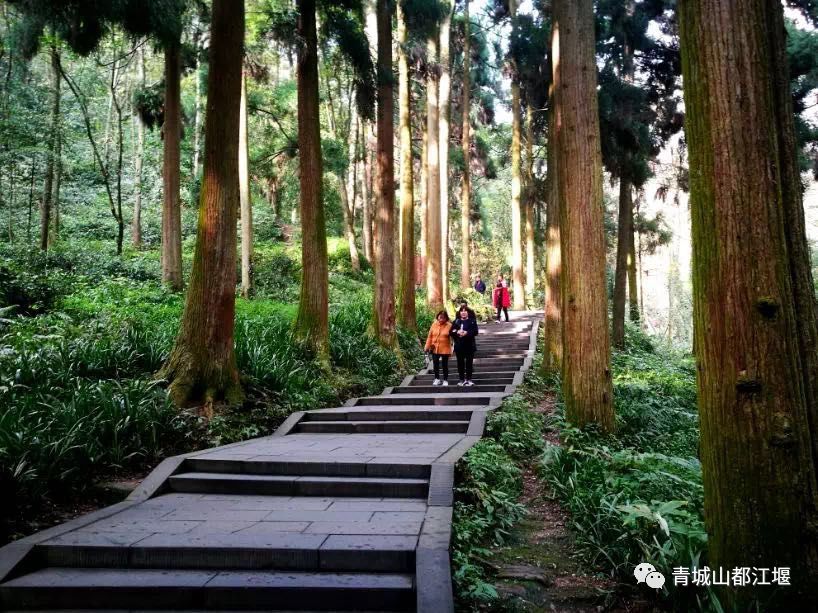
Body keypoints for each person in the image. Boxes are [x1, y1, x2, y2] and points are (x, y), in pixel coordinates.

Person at [451, 305, 479, 386]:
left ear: (468, 312)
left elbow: (475, 332)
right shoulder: (456, 321)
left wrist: (467, 333)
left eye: (465, 311)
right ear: (459, 313)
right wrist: (457, 332)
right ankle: (461, 379)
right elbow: (451, 331)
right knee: (460, 363)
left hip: (469, 345)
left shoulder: (472, 321)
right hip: (459, 346)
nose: (463, 312)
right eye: (461, 311)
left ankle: (469, 379)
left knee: (469, 363)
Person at [424, 310, 453, 386]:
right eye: (440, 316)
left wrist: (453, 348)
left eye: (443, 317)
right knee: (435, 364)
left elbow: (453, 336)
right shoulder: (434, 325)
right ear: (438, 317)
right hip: (434, 348)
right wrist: (426, 347)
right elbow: (429, 336)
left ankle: (445, 380)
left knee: (444, 365)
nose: (441, 318)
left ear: (446, 318)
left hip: (445, 348)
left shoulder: (449, 325)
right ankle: (437, 378)